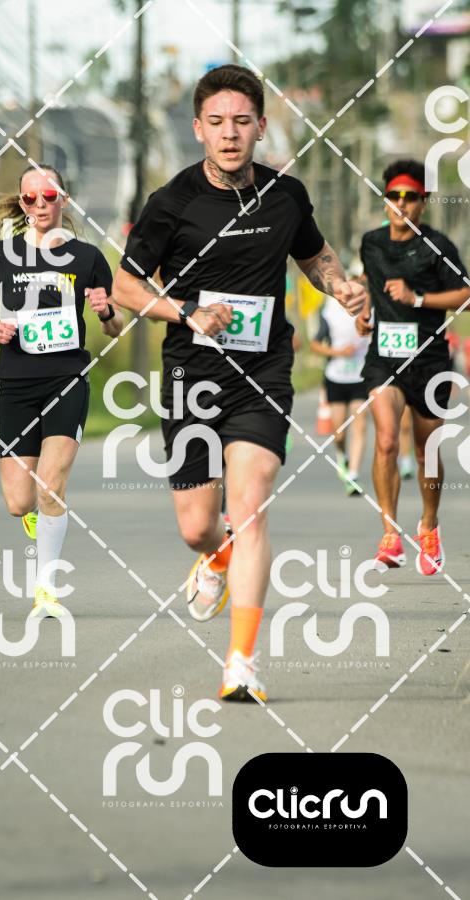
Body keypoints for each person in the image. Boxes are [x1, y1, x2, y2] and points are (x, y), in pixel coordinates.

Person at [112, 64, 365, 702]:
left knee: (250, 506)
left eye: (242, 122)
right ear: (199, 128)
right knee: (198, 526)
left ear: (260, 127)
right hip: (192, 375)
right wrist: (186, 312)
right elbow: (125, 286)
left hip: (263, 371)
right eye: (217, 122)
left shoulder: (286, 196)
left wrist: (341, 287)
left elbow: (315, 256)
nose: (230, 134)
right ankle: (214, 554)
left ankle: (241, 664)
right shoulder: (172, 202)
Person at [0, 163, 123, 617]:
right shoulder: (2, 254)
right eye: (30, 197)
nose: (39, 204)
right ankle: (36, 513)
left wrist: (105, 311)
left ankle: (46, 589)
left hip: (66, 378)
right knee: (20, 501)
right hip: (17, 381)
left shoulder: (88, 258)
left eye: (49, 196)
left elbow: (115, 326)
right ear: (21, 203)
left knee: (51, 485)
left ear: (64, 199)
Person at [356, 158, 470, 575]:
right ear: (385, 200)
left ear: (424, 202)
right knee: (386, 441)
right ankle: (389, 535)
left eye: (410, 196)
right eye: (394, 196)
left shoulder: (438, 245)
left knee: (427, 452)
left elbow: (465, 294)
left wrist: (417, 298)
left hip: (429, 359)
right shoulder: (370, 243)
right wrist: (363, 312)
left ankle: (428, 525)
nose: (401, 203)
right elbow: (370, 286)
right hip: (384, 356)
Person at [310, 293, 368, 496]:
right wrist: (339, 353)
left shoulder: (369, 308)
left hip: (361, 377)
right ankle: (342, 455)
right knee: (339, 433)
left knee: (360, 426)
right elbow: (315, 344)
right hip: (336, 377)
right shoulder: (329, 311)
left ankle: (353, 475)